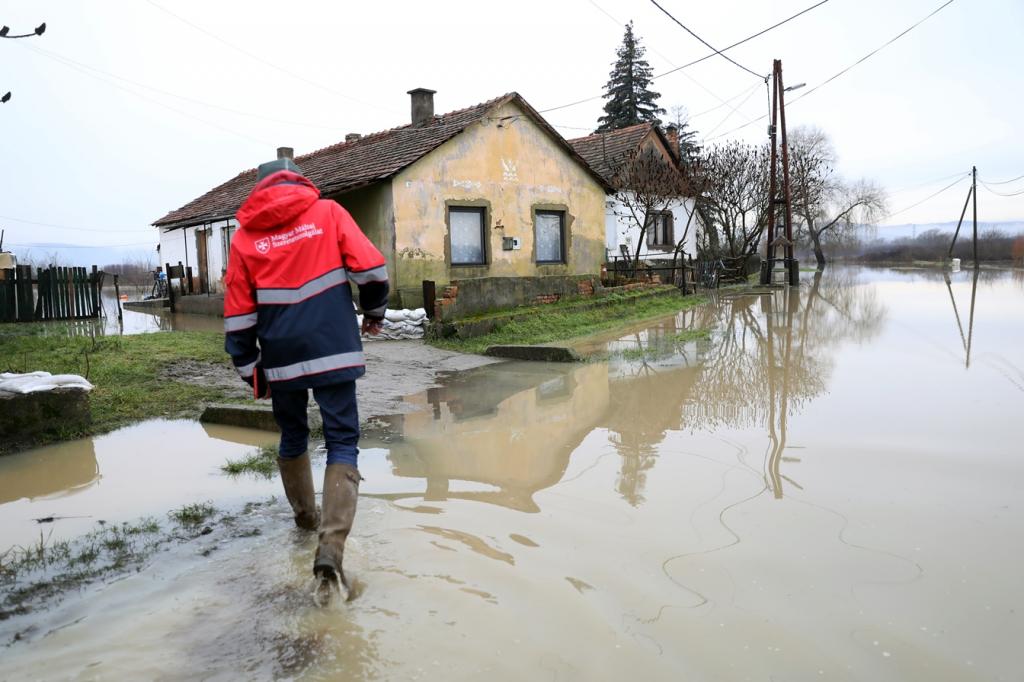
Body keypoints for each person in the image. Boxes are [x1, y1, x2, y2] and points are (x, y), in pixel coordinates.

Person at [223, 154, 388, 600]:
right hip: (333, 348)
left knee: (293, 437)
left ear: (257, 193)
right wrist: (374, 311)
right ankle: (330, 550)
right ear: (299, 180)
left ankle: (304, 523)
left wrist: (249, 369)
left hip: (282, 359)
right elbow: (372, 270)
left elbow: (238, 317)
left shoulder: (244, 240)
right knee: (341, 441)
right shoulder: (328, 212)